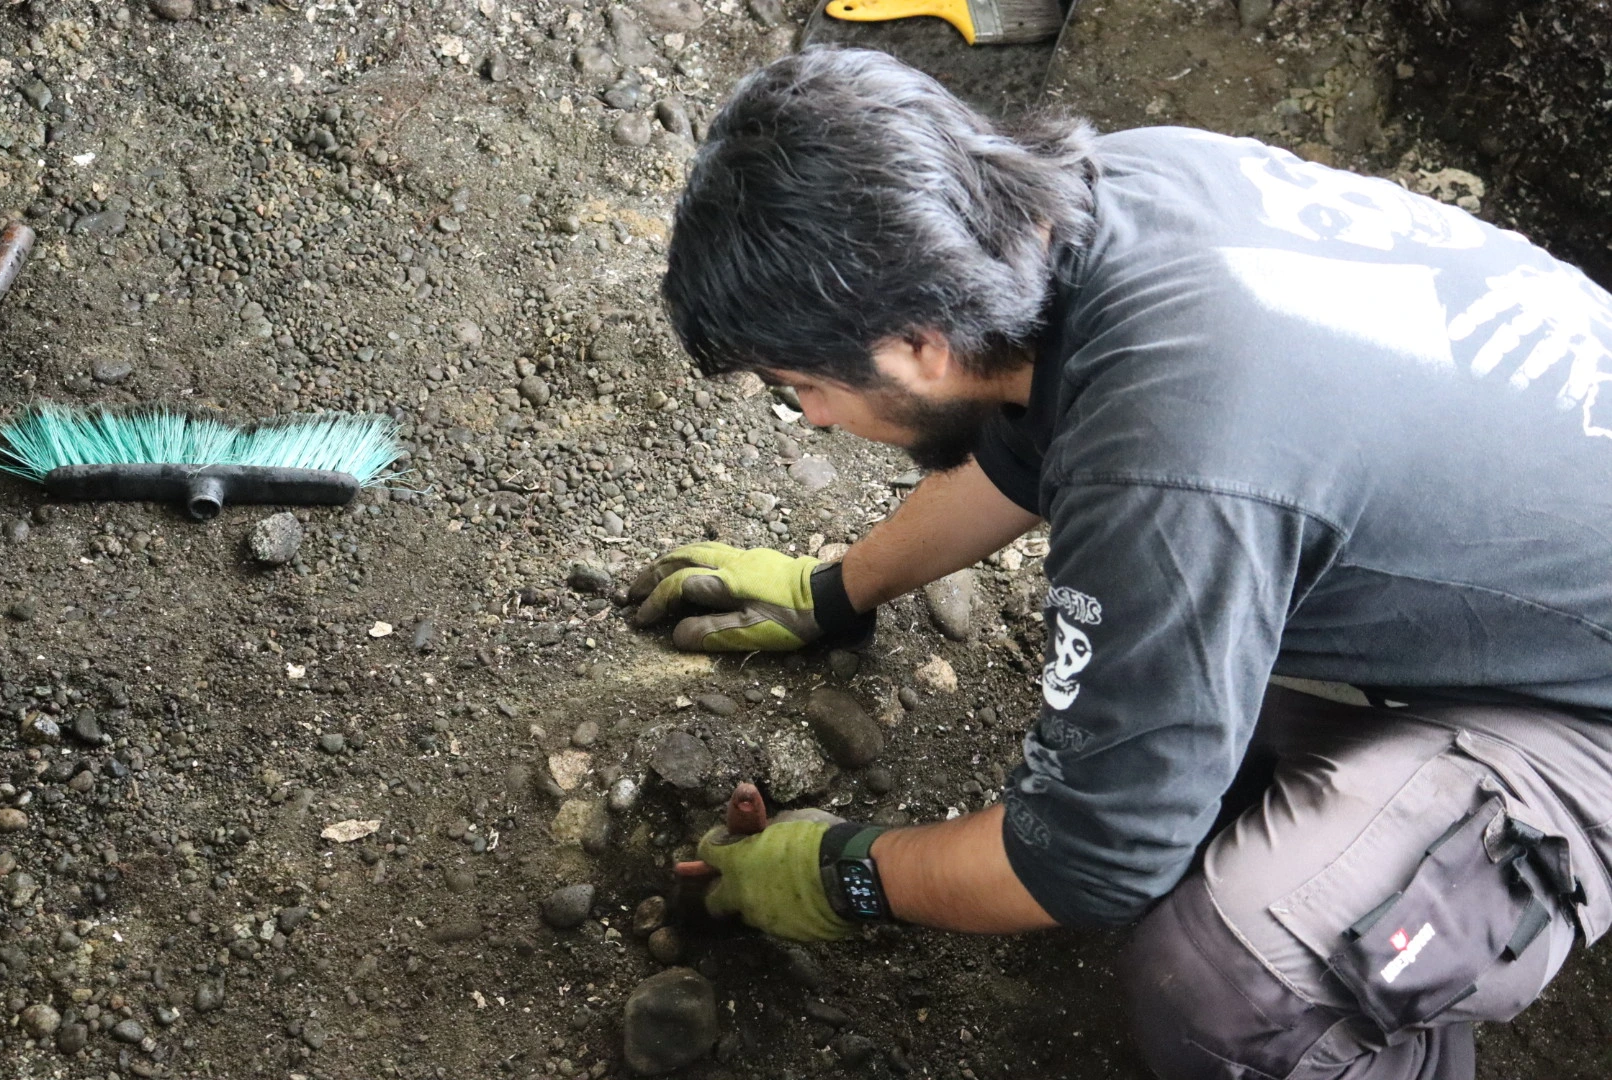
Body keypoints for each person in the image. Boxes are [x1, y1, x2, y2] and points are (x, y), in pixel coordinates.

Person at [626, 46, 1612, 1080]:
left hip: (1586, 703)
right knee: (1152, 736)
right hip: (1547, 563)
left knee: (1228, 983)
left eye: (803, 385)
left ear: (916, 343)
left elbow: (1089, 858)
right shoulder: (1113, 198)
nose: (813, 416)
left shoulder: (1171, 457)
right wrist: (834, 589)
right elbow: (1021, 434)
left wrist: (845, 873)